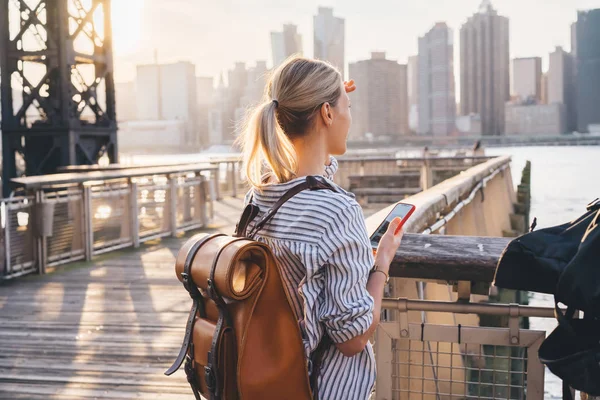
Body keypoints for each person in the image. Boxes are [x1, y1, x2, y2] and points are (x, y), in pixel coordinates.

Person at [237, 56, 404, 400]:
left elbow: (309, 178)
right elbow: (352, 338)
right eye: (348, 107)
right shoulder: (338, 211)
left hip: (264, 378)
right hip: (321, 389)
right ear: (327, 114)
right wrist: (382, 263)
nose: (351, 117)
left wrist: (329, 97)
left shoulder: (261, 195)